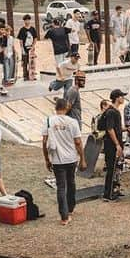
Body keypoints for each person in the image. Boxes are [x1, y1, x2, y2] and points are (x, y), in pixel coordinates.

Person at [42, 96, 85, 224]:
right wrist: (82, 158)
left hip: (57, 159)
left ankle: (64, 216)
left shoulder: (49, 121)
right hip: (71, 158)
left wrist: (46, 159)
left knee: (61, 186)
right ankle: (70, 208)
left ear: (56, 108)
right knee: (71, 183)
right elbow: (78, 142)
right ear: (67, 107)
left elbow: (44, 141)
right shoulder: (72, 122)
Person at [98, 89, 125, 201]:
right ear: (117, 98)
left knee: (117, 168)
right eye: (122, 96)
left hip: (115, 142)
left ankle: (115, 189)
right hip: (112, 145)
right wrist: (117, 144)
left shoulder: (115, 111)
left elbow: (116, 128)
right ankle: (108, 193)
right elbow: (110, 129)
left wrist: (126, 129)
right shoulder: (111, 112)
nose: (123, 98)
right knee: (112, 168)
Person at [16, 15, 39, 81]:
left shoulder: (32, 29)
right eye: (26, 20)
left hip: (31, 48)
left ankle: (32, 75)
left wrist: (33, 46)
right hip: (25, 48)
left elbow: (35, 38)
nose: (27, 21)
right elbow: (20, 40)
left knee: (32, 62)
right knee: (25, 62)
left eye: (28, 20)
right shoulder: (22, 30)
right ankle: (25, 76)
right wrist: (22, 48)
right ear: (24, 21)